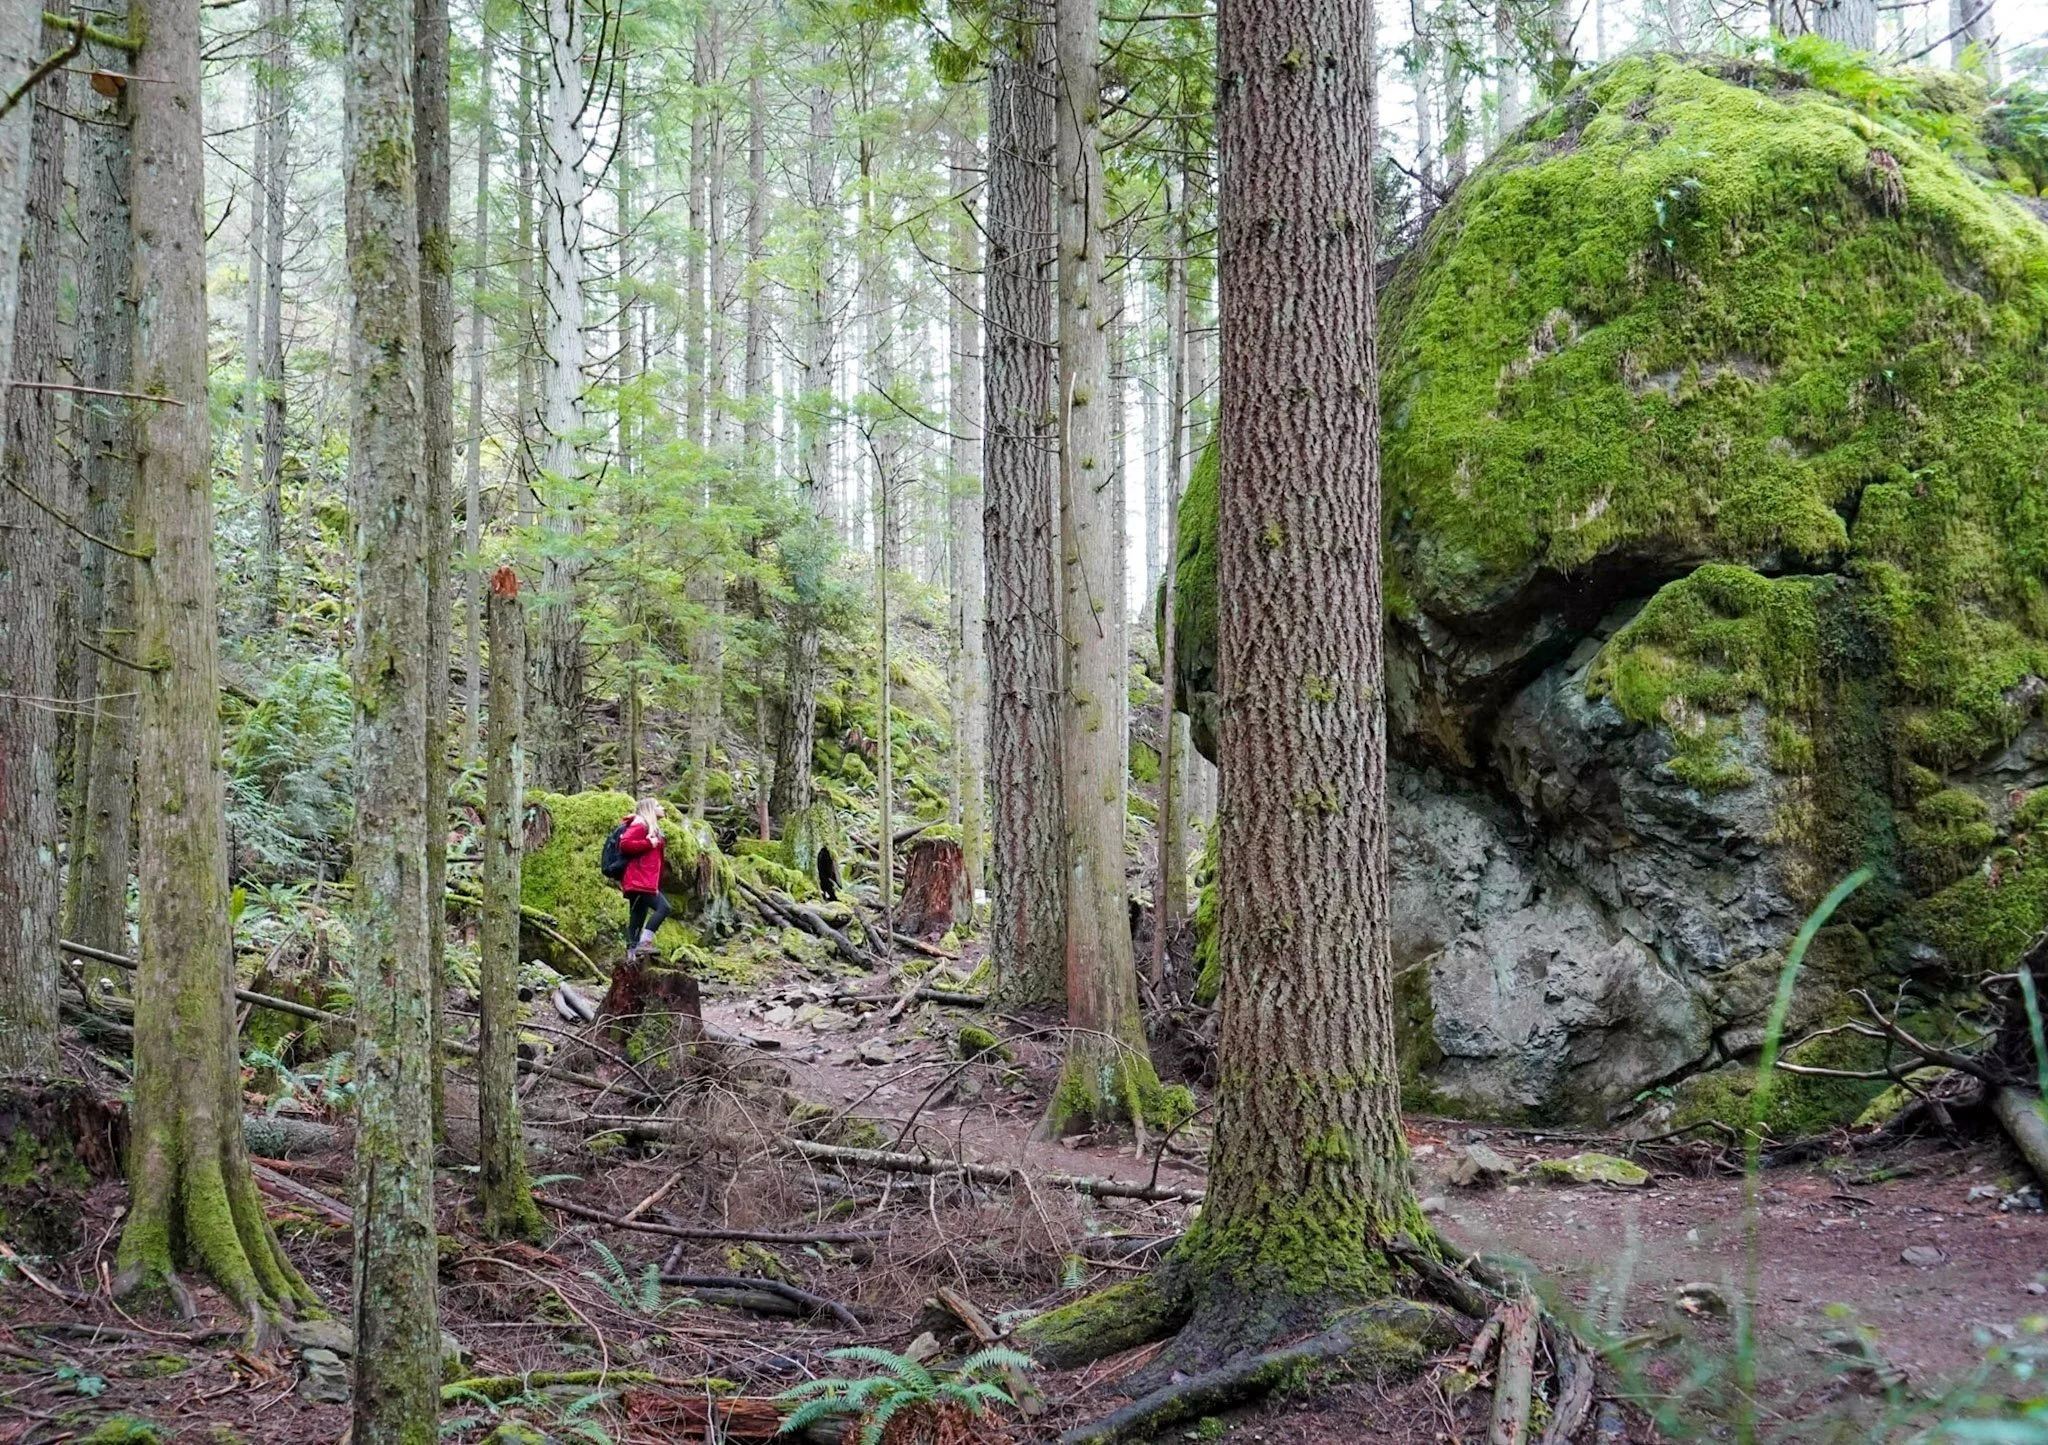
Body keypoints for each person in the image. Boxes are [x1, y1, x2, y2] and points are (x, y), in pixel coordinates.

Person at [618, 797, 670, 958]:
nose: (662, 808)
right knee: (664, 907)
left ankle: (631, 956)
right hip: (639, 880)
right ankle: (645, 942)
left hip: (642, 880)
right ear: (649, 809)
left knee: (637, 918)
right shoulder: (640, 825)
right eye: (658, 806)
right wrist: (649, 843)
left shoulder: (650, 827)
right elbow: (625, 844)